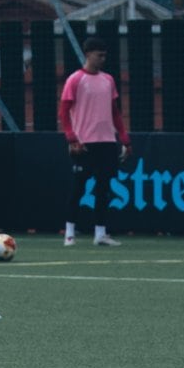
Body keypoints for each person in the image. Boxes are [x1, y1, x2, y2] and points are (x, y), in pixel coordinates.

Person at [60, 36, 129, 243]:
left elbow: (115, 112)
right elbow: (63, 112)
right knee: (79, 188)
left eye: (104, 56)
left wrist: (124, 139)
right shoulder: (75, 79)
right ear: (88, 54)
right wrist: (72, 138)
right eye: (99, 55)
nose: (103, 59)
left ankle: (100, 233)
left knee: (103, 189)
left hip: (107, 141)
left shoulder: (108, 80)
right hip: (84, 142)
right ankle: (69, 233)